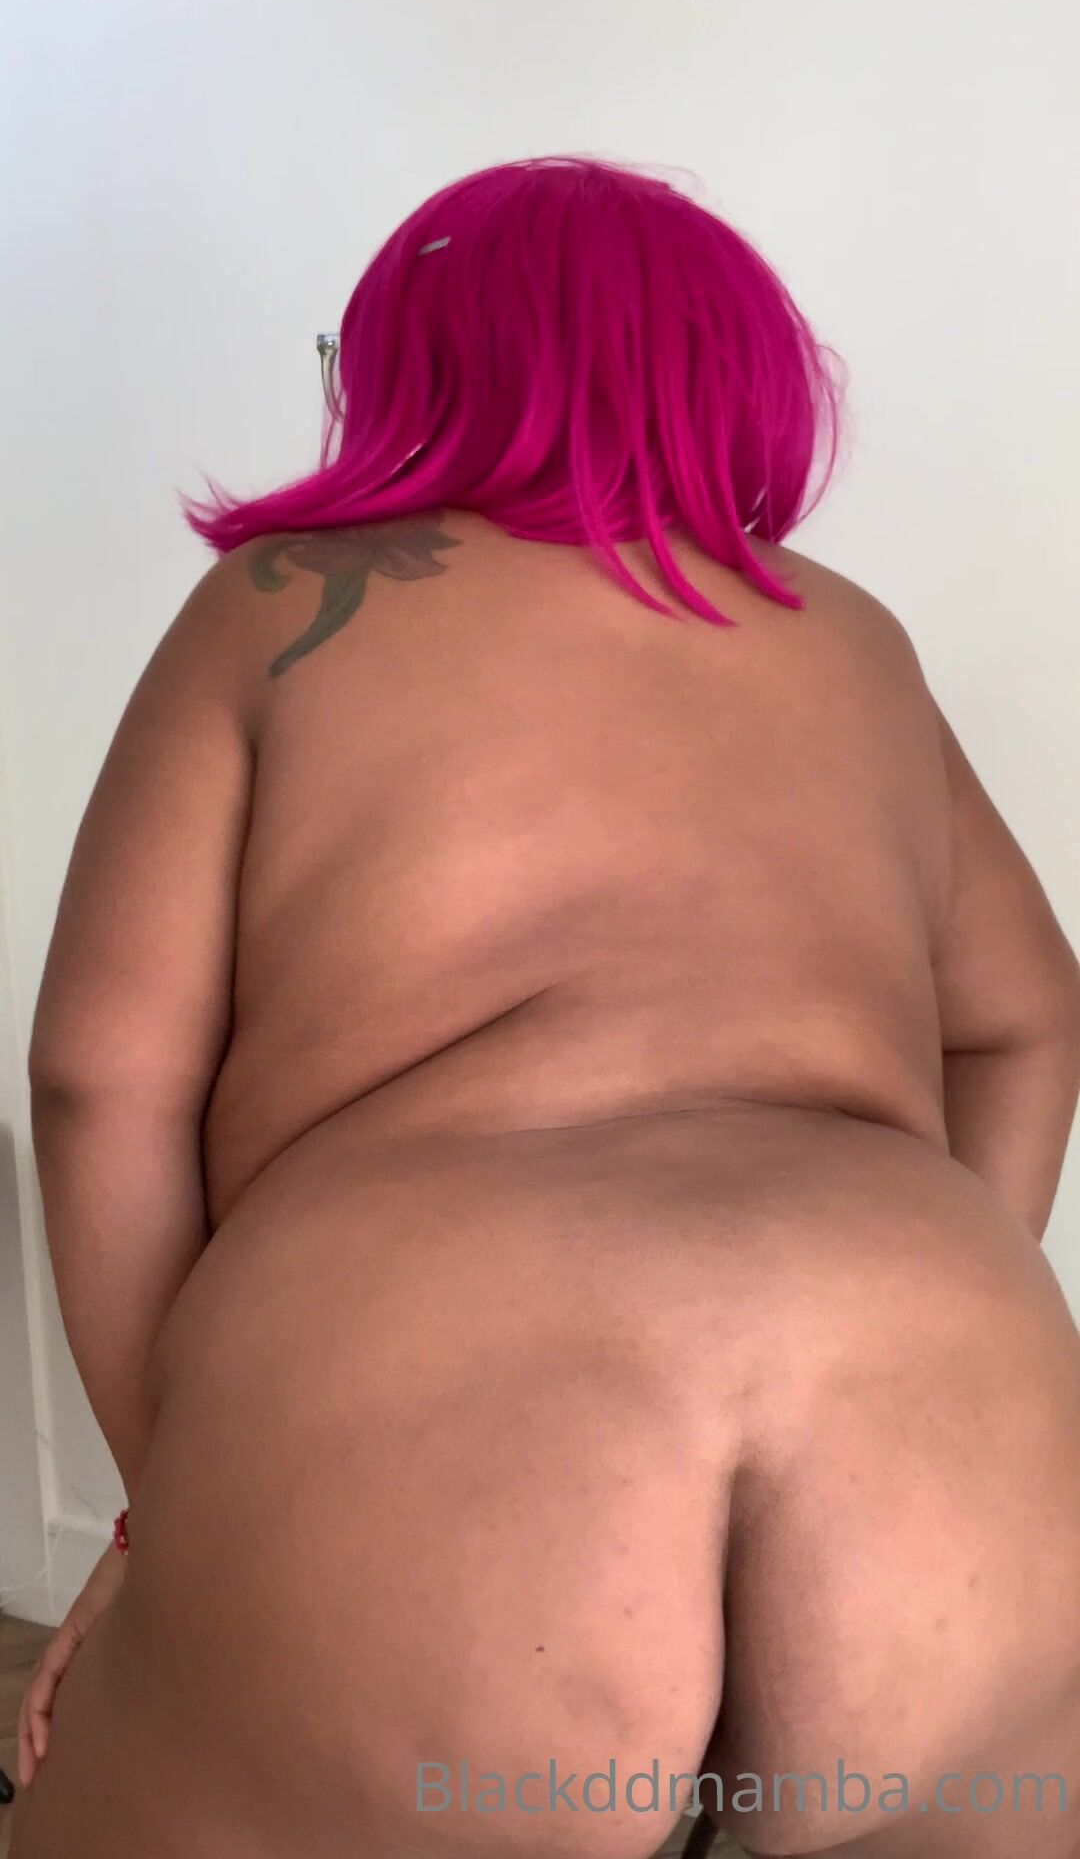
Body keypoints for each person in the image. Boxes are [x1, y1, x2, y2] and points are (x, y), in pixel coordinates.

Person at [11, 156, 1080, 1859]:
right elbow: (1031, 1018)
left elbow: (98, 1077)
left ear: (407, 365)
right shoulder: (846, 633)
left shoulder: (282, 602)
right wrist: (932, 1277)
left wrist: (180, 1508)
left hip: (431, 1400)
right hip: (949, 1417)